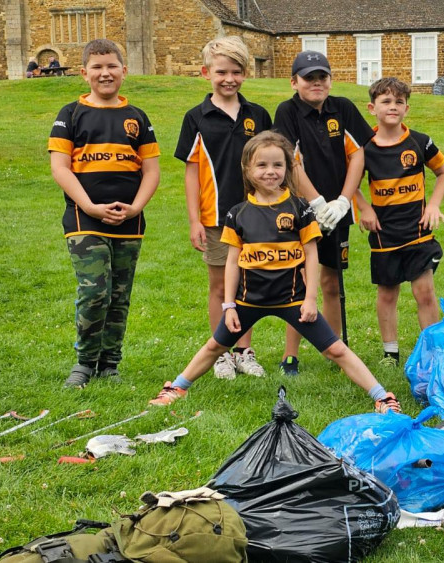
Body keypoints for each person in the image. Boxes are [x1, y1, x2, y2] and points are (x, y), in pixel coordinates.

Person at [148, 132, 401, 413]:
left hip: (293, 299)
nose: (270, 172)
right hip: (248, 301)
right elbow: (233, 262)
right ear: (247, 169)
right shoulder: (237, 213)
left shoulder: (299, 209)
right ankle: (177, 388)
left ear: (288, 168)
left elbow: (311, 253)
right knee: (214, 347)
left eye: (277, 165)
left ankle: (382, 396)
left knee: (335, 349)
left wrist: (311, 300)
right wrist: (229, 306)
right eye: (262, 165)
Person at [48, 38, 160, 388]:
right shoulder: (70, 114)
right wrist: (89, 206)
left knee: (118, 296)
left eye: (112, 66)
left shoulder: (137, 118)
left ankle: (110, 363)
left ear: (124, 71)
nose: (105, 73)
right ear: (84, 73)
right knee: (95, 290)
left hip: (130, 220)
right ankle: (84, 363)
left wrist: (136, 207)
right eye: (97, 67)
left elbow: (152, 171)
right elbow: (61, 168)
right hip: (85, 219)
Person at [272, 51, 374, 375]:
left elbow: (358, 155)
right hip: (301, 210)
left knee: (331, 282)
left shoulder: (342, 108)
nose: (316, 83)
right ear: (294, 82)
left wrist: (344, 201)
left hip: (337, 211)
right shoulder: (287, 111)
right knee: (300, 281)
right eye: (308, 78)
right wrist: (316, 202)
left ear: (330, 80)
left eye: (322, 77)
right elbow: (289, 159)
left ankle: (334, 350)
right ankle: (291, 355)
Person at [175, 37, 272, 379]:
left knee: (247, 285)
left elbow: (272, 165)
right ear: (206, 73)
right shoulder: (196, 118)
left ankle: (245, 351)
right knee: (220, 286)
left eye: (236, 71)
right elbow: (190, 172)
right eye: (221, 72)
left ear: (245, 73)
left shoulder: (257, 115)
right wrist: (194, 220)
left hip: (255, 217)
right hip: (215, 218)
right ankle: (221, 353)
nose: (228, 78)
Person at [352, 77, 444, 366]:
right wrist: (364, 209)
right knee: (387, 293)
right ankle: (390, 352)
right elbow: (351, 184)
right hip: (384, 233)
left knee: (424, 291)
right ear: (372, 108)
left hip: (418, 231)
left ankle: (434, 352)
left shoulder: (420, 141)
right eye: (386, 101)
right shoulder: (363, 147)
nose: (392, 106)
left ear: (407, 108)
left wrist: (433, 204)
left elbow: (443, 173)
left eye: (398, 102)